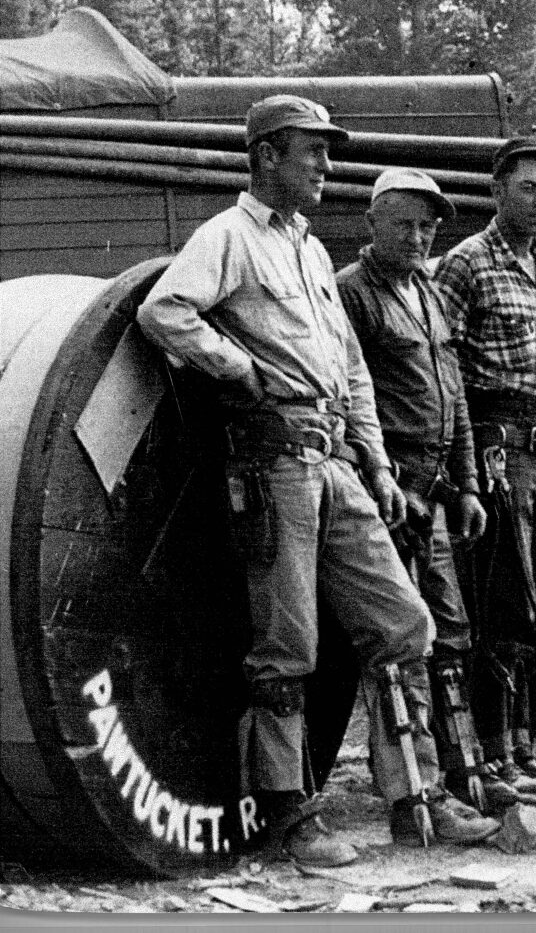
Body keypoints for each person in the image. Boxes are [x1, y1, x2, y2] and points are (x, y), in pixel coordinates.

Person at [137, 96, 449, 864]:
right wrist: (241, 371)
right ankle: (287, 814)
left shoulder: (310, 250)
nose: (325, 166)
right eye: (313, 152)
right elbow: (163, 310)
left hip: (337, 461)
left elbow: (349, 366)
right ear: (269, 155)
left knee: (404, 623)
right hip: (273, 464)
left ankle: (414, 796)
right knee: (289, 645)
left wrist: (374, 462)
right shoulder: (228, 237)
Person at [336, 168, 523, 832]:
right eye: (404, 224)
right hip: (385, 496)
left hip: (437, 496)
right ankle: (415, 801)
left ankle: (464, 776)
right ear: (372, 225)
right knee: (400, 643)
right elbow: (348, 401)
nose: (418, 237)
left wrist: (468, 485)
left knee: (451, 635)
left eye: (427, 226)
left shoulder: (430, 294)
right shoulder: (350, 296)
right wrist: (378, 481)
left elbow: (459, 400)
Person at [433, 137, 536, 804]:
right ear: (497, 192)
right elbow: (445, 375)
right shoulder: (467, 264)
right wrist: (470, 464)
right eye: (529, 188)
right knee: (502, 597)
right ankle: (490, 754)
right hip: (500, 447)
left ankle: (522, 748)